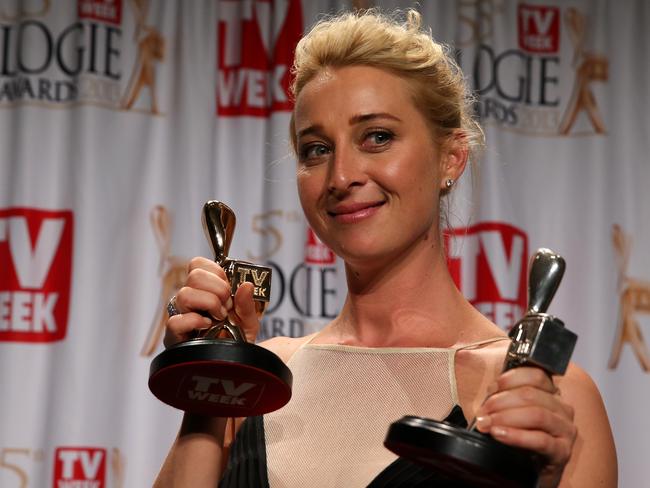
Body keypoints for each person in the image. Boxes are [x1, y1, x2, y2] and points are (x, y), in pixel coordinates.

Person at [154, 9, 617, 488]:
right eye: (317, 149)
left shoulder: (548, 394)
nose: (340, 177)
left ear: (451, 158)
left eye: (377, 137)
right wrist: (209, 372)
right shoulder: (262, 378)